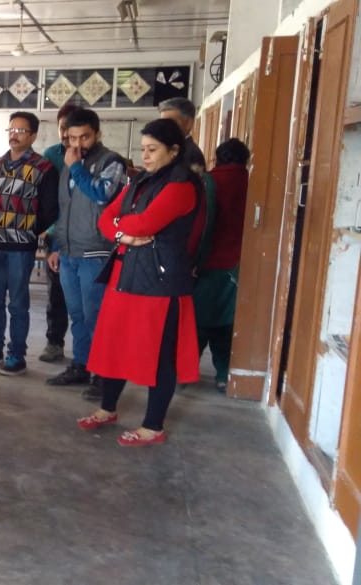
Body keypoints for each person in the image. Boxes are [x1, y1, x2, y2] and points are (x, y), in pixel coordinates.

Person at [77, 118, 203, 446]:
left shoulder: (182, 186)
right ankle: (107, 408)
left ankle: (153, 426)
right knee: (114, 345)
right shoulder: (142, 182)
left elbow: (147, 223)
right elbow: (106, 217)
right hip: (126, 274)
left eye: (153, 150)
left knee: (159, 356)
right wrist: (124, 234)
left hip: (160, 284)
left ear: (174, 151)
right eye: (143, 149)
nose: (145, 156)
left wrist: (128, 229)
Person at [0, 112, 58, 376]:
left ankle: (16, 355)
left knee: (18, 304)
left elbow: (50, 209)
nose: (14, 134)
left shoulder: (43, 168)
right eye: (11, 129)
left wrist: (29, 231)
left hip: (20, 248)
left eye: (21, 130)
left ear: (33, 136)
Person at [46, 108, 127, 399]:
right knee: (77, 315)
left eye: (85, 137)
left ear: (97, 134)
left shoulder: (111, 161)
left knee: (97, 318)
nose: (78, 143)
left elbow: (102, 194)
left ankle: (104, 376)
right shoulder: (70, 163)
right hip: (68, 253)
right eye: (71, 137)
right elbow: (64, 210)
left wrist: (77, 168)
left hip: (96, 252)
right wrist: (56, 246)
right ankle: (81, 366)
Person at [195, 138, 250, 392]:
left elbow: (201, 226)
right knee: (227, 323)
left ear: (217, 158)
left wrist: (192, 260)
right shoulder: (253, 183)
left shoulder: (209, 182)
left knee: (198, 322)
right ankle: (223, 374)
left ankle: (183, 371)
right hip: (239, 265)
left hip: (208, 263)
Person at [38, 104, 81, 364]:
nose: (66, 134)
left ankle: (85, 355)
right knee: (56, 293)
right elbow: (47, 198)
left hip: (84, 236)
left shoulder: (94, 158)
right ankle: (54, 342)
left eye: (71, 129)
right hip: (55, 234)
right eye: (62, 127)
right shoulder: (50, 155)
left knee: (82, 297)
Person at [157, 97, 206, 173]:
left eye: (170, 122)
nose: (164, 127)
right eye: (162, 122)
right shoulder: (176, 148)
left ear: (188, 123)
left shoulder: (191, 154)